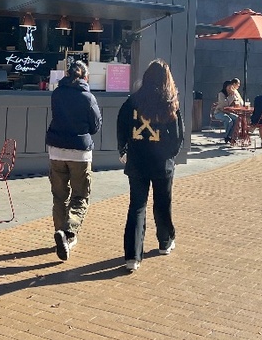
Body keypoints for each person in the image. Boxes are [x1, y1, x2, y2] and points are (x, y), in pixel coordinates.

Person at [117, 59, 184, 272]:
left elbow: (121, 127)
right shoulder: (169, 103)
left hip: (137, 161)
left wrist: (124, 151)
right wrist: (168, 156)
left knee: (137, 207)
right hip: (161, 163)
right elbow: (177, 137)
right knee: (163, 203)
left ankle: (132, 256)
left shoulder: (132, 102)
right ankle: (165, 242)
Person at [45, 60, 102, 261]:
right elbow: (95, 126)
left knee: (59, 196)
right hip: (80, 153)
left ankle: (59, 232)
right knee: (80, 195)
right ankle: (68, 233)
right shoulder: (88, 97)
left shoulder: (57, 93)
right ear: (85, 77)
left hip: (56, 150)